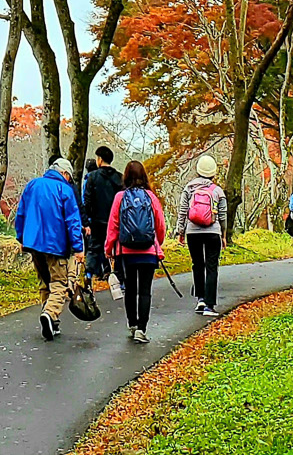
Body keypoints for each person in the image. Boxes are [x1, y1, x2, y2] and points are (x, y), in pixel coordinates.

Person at [13, 156, 84, 341]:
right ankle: (50, 314)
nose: (70, 180)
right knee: (59, 283)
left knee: (44, 281)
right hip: (55, 245)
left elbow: (21, 213)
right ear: (64, 173)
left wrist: (20, 237)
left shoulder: (32, 185)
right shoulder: (65, 190)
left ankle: (52, 321)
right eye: (69, 177)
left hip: (33, 243)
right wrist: (78, 248)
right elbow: (73, 221)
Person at [105, 160, 167, 344]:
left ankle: (132, 324)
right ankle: (142, 329)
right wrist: (157, 243)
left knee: (130, 289)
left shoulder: (120, 197)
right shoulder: (150, 196)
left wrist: (108, 249)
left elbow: (113, 226)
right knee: (145, 291)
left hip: (126, 251)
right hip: (148, 251)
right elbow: (160, 224)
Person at [174, 153, 226, 317]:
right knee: (211, 267)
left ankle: (200, 299)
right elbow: (223, 215)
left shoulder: (189, 188)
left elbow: (183, 211)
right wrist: (223, 234)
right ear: (213, 172)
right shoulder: (217, 191)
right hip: (213, 232)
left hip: (193, 232)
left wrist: (180, 231)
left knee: (198, 264)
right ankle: (209, 306)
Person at [79, 146, 124, 291]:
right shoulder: (119, 177)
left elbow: (87, 200)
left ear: (99, 159)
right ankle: (119, 278)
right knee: (117, 250)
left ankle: (88, 275)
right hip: (116, 221)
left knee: (94, 249)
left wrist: (87, 221)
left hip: (97, 221)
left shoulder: (92, 177)